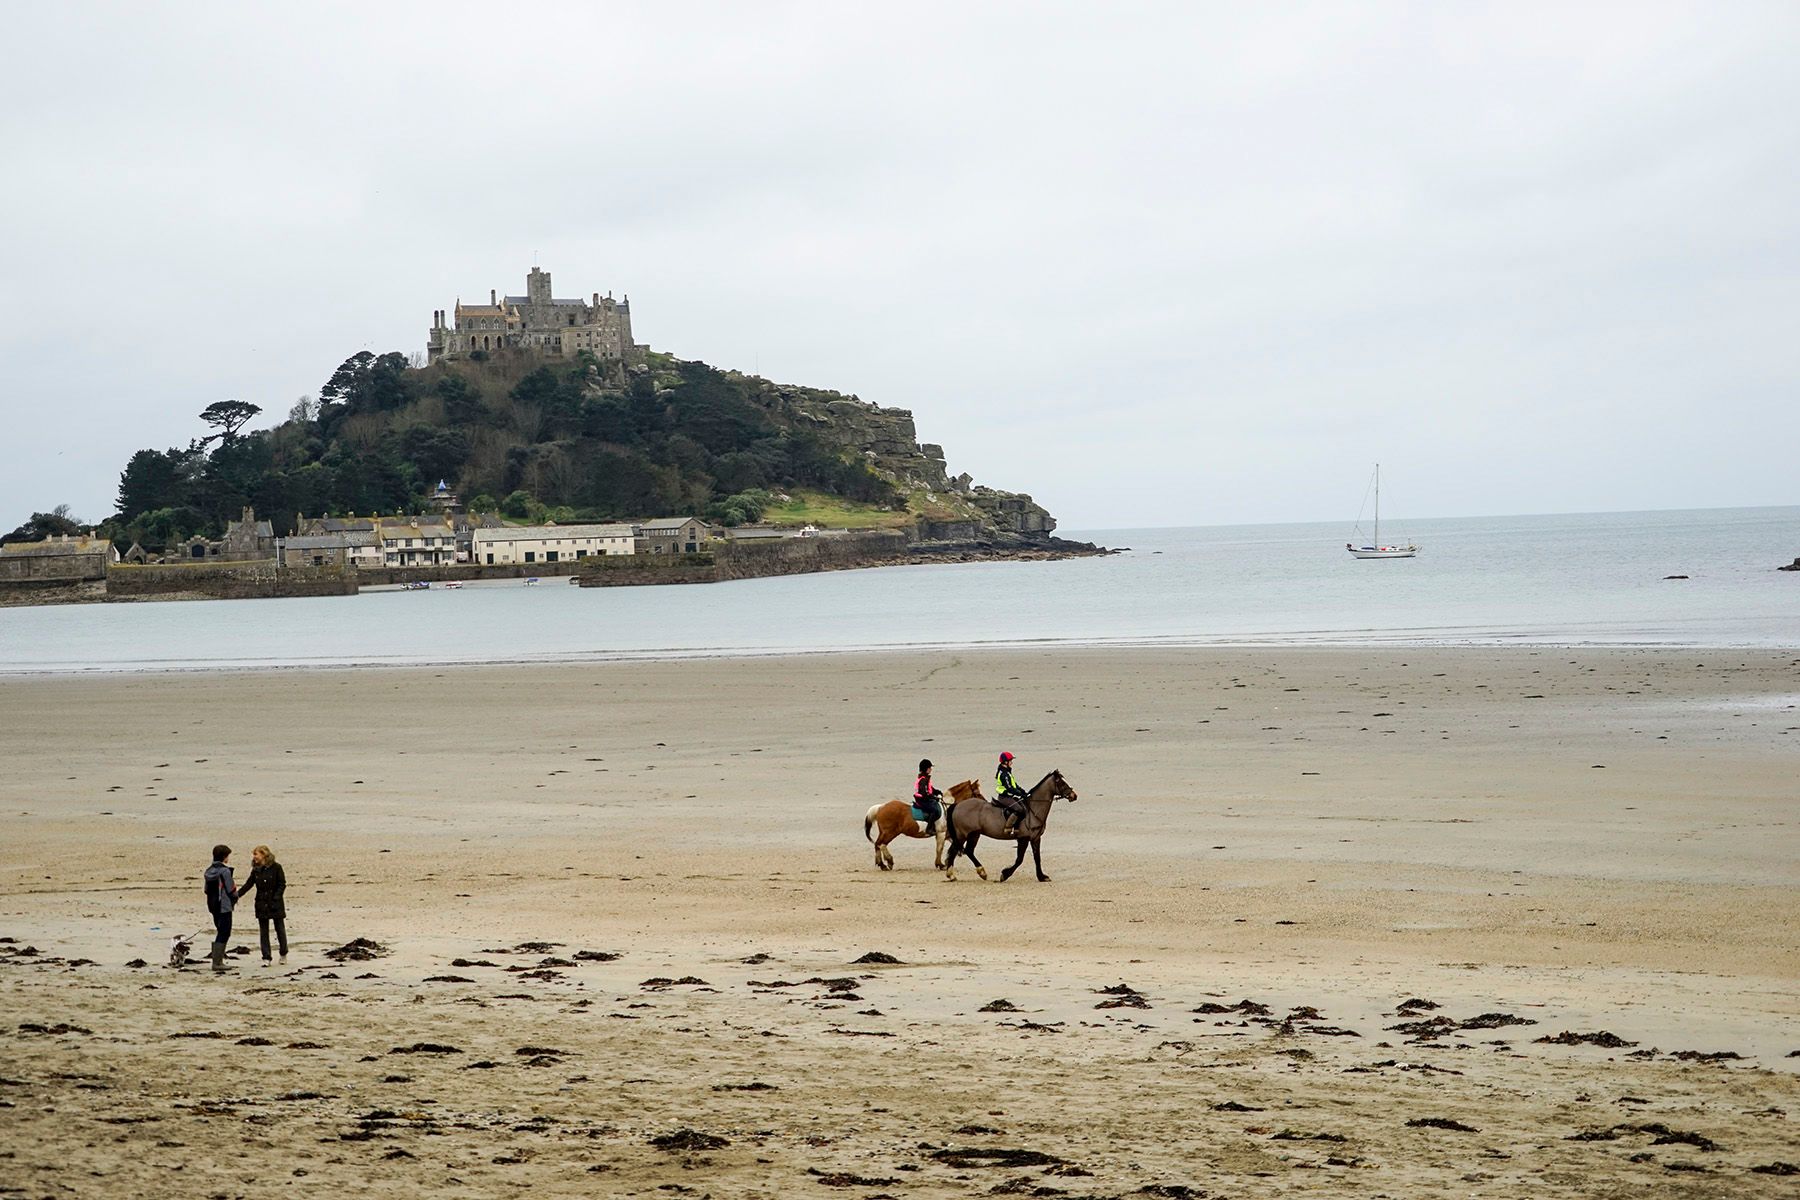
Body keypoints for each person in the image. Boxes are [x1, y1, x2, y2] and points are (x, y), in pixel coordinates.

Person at [237, 844, 288, 966]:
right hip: (261, 902)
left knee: (279, 928)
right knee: (263, 931)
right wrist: (236, 895)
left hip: (275, 902)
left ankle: (283, 953)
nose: (254, 857)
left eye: (256, 854)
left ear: (264, 854)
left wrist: (276, 897)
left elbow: (282, 884)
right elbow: (249, 884)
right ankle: (266, 957)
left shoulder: (276, 867)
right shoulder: (256, 870)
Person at [203, 844, 237, 972]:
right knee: (224, 932)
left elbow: (206, 890)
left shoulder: (208, 870)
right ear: (224, 856)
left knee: (220, 930)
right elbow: (231, 889)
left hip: (213, 905)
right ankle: (217, 962)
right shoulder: (225, 871)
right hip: (224, 906)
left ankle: (218, 959)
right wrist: (235, 897)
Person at [994, 751, 1029, 835]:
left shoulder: (1007, 772)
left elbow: (1014, 785)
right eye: (1010, 761)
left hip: (1009, 795)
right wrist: (1020, 794)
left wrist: (1023, 791)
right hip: (1004, 797)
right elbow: (1009, 788)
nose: (1012, 763)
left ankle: (1017, 827)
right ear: (1005, 762)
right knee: (1019, 809)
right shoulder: (1004, 774)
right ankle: (1008, 827)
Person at [912, 758, 943, 836]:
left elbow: (930, 789)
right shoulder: (923, 780)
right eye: (929, 768)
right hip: (921, 800)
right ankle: (929, 829)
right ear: (926, 769)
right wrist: (934, 797)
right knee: (934, 810)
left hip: (924, 799)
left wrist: (937, 792)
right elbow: (924, 793)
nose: (931, 770)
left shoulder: (925, 778)